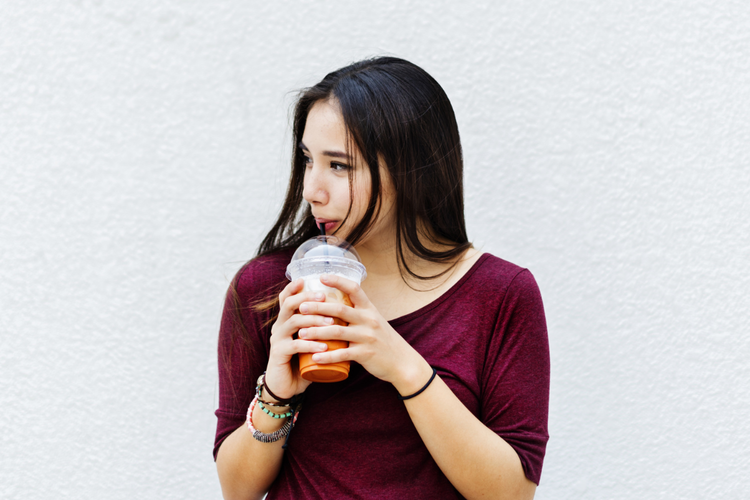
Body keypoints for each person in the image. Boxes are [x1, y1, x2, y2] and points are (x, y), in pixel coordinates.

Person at [214, 56, 550, 500]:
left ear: (414, 171)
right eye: (308, 160)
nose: (312, 189)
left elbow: (511, 493)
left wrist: (403, 366)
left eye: (339, 166)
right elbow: (237, 490)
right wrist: (277, 394)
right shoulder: (266, 289)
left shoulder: (502, 295)